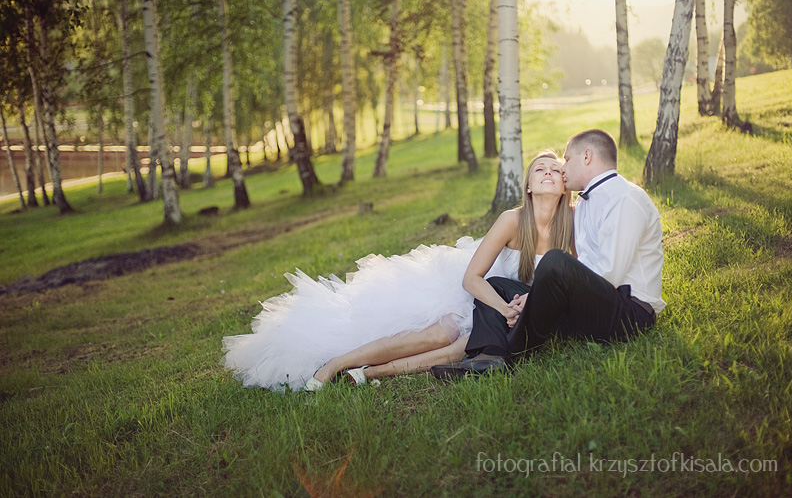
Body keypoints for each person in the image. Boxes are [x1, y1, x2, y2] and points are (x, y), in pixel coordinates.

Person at [221, 151, 573, 392]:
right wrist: (503, 308)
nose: (547, 174)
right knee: (442, 334)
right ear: (528, 186)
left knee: (462, 350)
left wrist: (521, 307)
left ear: (564, 184)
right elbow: (471, 278)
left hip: (518, 307)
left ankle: (368, 374)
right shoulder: (512, 220)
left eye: (555, 170)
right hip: (481, 295)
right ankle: (333, 364)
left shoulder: (571, 224)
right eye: (539, 169)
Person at [431, 129, 666, 379]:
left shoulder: (625, 198)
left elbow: (608, 274)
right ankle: (491, 356)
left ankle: (513, 346)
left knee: (555, 260)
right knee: (498, 286)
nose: (562, 169)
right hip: (594, 305)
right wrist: (534, 297)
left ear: (587, 156)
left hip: (629, 313)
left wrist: (535, 296)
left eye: (567, 159)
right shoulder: (584, 204)